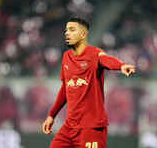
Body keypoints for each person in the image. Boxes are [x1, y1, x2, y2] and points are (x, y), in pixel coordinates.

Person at [42, 17, 135, 148]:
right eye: (66, 30)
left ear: (83, 34)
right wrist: (52, 115)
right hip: (69, 127)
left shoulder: (94, 54)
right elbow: (65, 89)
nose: (67, 33)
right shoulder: (66, 57)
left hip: (91, 128)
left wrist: (121, 66)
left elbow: (106, 60)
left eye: (72, 30)